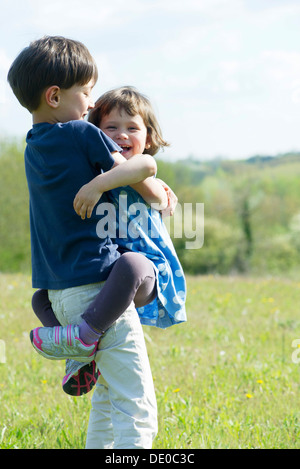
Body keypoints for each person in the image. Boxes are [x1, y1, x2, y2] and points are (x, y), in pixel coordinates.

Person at [7, 35, 167, 449]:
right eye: (87, 92)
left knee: (108, 400)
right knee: (136, 405)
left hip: (57, 294)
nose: (93, 105)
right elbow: (144, 169)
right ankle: (82, 340)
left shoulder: (33, 146)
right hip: (98, 290)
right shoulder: (80, 132)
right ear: (56, 95)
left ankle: (79, 346)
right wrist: (103, 184)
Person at [32, 86, 187, 392]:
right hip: (106, 273)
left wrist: (100, 184)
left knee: (129, 263)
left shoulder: (140, 178)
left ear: (149, 137)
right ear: (97, 134)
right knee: (42, 296)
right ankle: (79, 356)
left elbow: (148, 171)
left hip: (145, 272)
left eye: (132, 128)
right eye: (111, 128)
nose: (121, 135)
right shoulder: (96, 167)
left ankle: (85, 335)